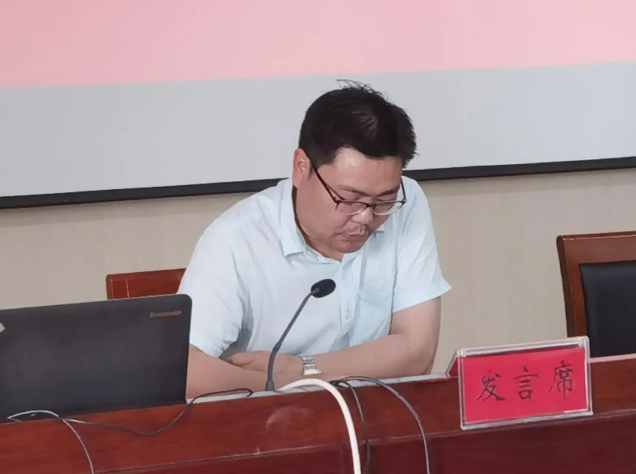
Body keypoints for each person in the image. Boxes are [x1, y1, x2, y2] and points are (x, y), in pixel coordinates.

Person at [180, 82, 451, 397]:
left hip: (374, 412)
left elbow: (417, 353)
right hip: (267, 420)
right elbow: (186, 369)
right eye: (349, 199)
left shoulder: (408, 201)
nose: (366, 217)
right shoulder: (236, 239)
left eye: (384, 201)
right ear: (301, 168)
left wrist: (299, 368)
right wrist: (275, 385)